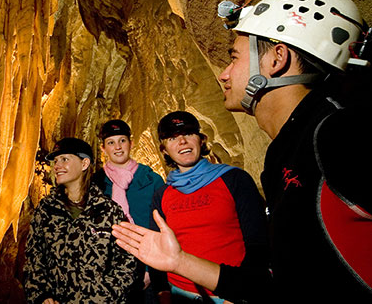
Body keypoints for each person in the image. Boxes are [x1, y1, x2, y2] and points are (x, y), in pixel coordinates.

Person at [112, 0, 372, 303]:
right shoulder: (287, 150)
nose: (223, 74)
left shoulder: (341, 133)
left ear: (277, 59)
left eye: (234, 57)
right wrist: (179, 263)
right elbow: (281, 288)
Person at [149, 111, 268, 303]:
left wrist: (242, 293)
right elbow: (157, 245)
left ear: (201, 140)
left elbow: (258, 242)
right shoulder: (162, 194)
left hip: (228, 294)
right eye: (172, 138)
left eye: (188, 134)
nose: (182, 142)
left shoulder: (234, 179)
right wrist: (162, 290)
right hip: (181, 294)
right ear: (164, 149)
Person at [24, 137, 136, 304]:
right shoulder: (46, 210)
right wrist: (42, 296)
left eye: (64, 159)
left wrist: (104, 297)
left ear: (84, 164)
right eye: (56, 161)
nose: (57, 166)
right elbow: (34, 259)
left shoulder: (109, 211)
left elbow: (126, 261)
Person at [92, 120, 164, 303]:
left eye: (122, 140)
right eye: (111, 142)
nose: (117, 147)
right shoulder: (96, 184)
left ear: (131, 143)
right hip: (108, 271)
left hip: (148, 268)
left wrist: (151, 270)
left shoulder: (152, 180)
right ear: (103, 148)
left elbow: (162, 228)